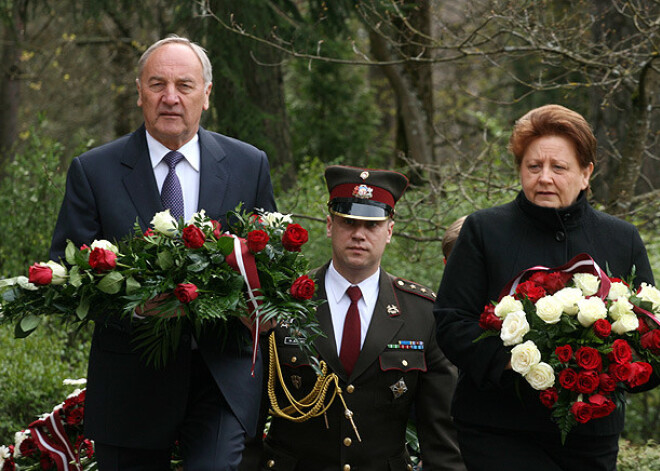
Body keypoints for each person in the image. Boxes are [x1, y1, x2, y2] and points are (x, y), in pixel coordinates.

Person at [49, 35, 277, 470]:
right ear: (139, 93)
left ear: (206, 95)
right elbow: (65, 273)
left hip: (221, 376)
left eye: (184, 86)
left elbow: (269, 262)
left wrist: (264, 309)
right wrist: (135, 309)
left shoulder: (250, 165)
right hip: (130, 384)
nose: (170, 98)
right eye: (157, 84)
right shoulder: (93, 171)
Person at [433, 104, 655, 471]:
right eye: (533, 167)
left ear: (586, 174)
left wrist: (610, 368)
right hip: (499, 432)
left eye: (559, 168)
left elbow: (650, 332)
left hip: (591, 437)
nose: (544, 178)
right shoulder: (483, 231)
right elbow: (452, 322)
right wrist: (514, 362)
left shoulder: (622, 238)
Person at [258, 165, 466, 471]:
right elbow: (248, 415)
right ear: (329, 225)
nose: (358, 235)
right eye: (348, 222)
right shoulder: (283, 299)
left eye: (372, 225)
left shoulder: (421, 312)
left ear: (390, 231)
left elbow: (440, 432)